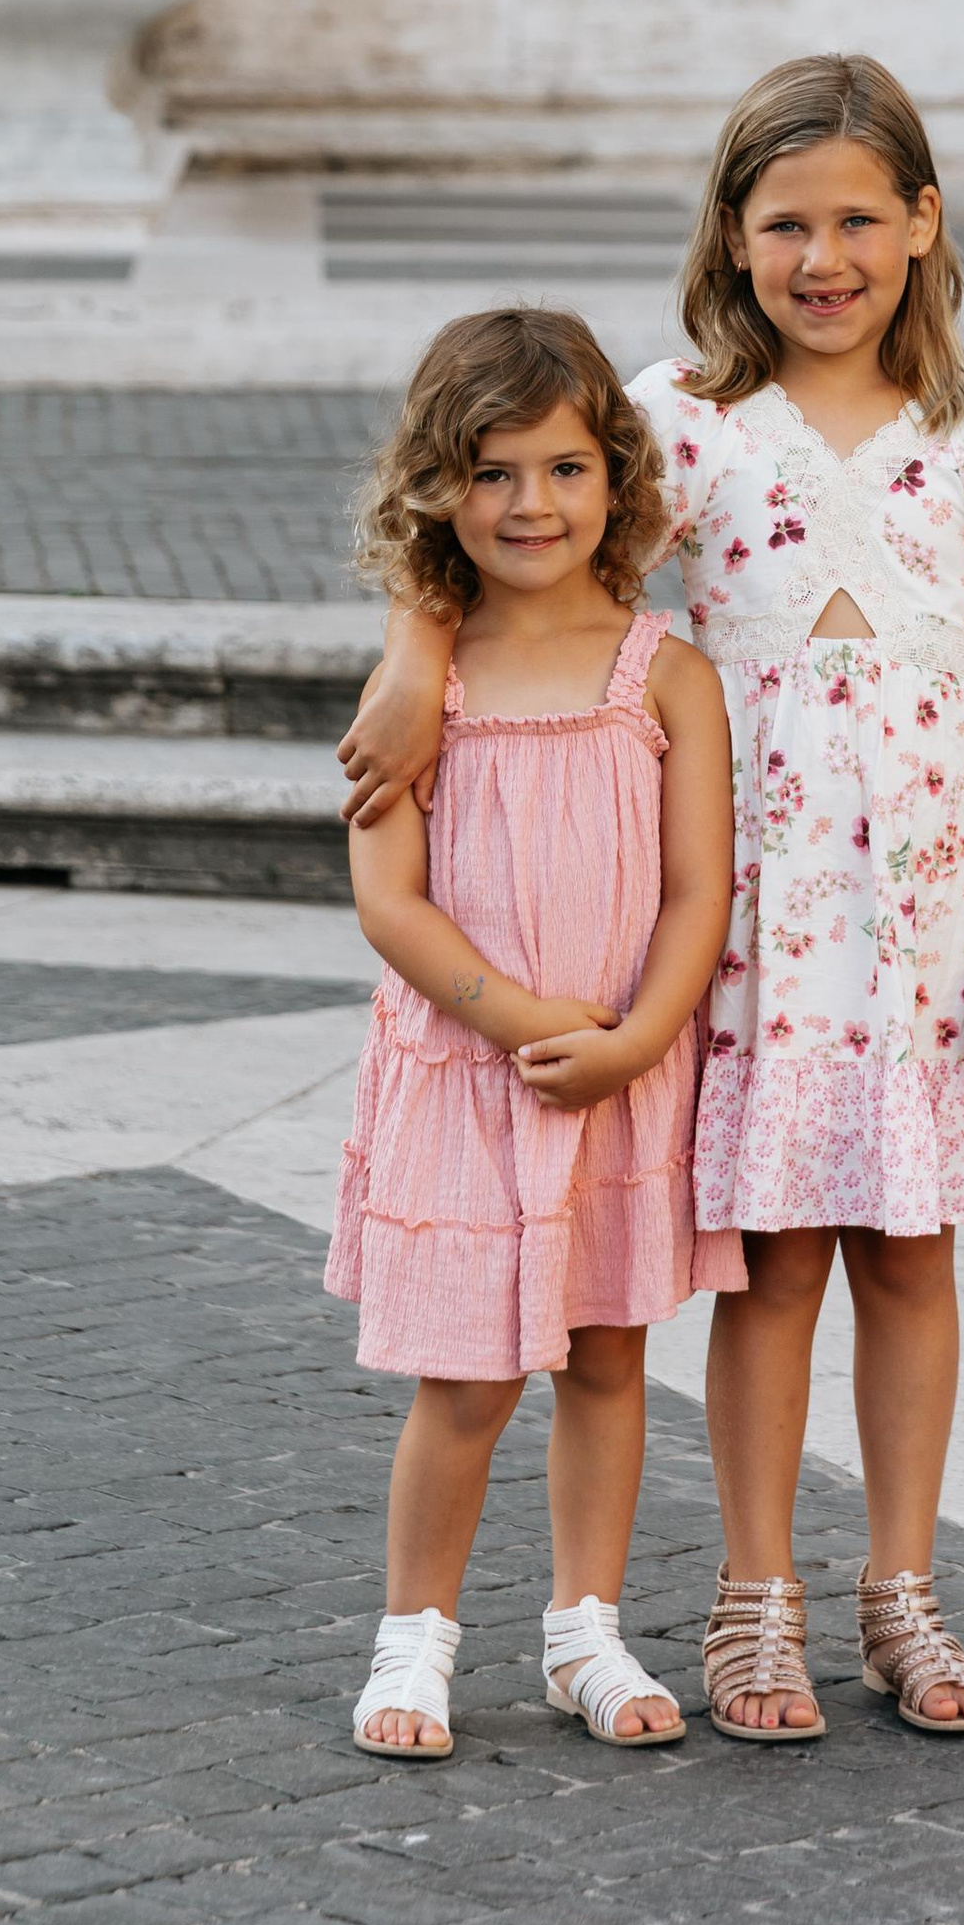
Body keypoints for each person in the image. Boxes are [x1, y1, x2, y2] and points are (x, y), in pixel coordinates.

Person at [340, 56, 964, 1742]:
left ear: (922, 224)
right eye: (784, 223)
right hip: (747, 913)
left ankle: (901, 1589)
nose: (820, 256)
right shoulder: (677, 421)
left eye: (856, 218)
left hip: (924, 910)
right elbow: (502, 534)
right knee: (770, 1260)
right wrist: (411, 659)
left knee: (913, 1250)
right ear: (733, 237)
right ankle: (752, 1593)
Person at [328, 305, 738, 1763]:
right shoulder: (421, 692)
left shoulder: (666, 674)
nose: (531, 505)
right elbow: (388, 900)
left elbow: (703, 888)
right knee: (468, 1378)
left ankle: (585, 1627)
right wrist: (514, 1023)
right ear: (440, 485)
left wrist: (639, 1039)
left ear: (616, 481)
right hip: (473, 1073)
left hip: (619, 1077)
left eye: (565, 470)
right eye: (494, 473)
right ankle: (414, 1641)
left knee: (613, 1362)